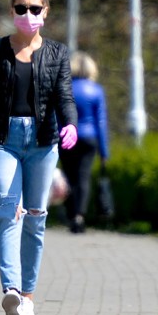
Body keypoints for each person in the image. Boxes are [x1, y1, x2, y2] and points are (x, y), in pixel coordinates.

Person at [0, 0, 78, 315]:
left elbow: (64, 96)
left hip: (42, 142)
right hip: (2, 140)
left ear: (46, 11)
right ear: (12, 10)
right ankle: (10, 290)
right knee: (8, 212)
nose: (28, 14)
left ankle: (28, 295)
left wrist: (70, 123)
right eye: (21, 8)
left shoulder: (56, 52)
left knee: (36, 218)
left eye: (34, 8)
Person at [59, 51, 109, 233]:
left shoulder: (65, 88)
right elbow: (101, 123)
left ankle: (70, 213)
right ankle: (79, 215)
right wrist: (104, 152)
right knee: (83, 177)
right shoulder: (96, 90)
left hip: (66, 137)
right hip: (89, 138)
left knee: (68, 176)